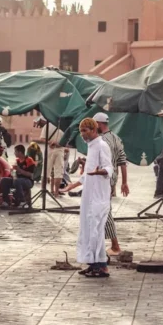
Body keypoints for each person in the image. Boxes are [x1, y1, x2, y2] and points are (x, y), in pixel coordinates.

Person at [61, 118, 113, 278]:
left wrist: (100, 172)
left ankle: (101, 267)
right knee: (88, 230)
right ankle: (93, 264)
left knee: (96, 231)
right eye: (81, 131)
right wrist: (71, 186)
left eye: (85, 131)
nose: (82, 134)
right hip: (88, 197)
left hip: (98, 197)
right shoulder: (91, 147)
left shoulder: (102, 146)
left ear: (93, 130)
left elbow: (109, 167)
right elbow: (86, 175)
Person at [93, 112, 129, 256]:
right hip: (112, 179)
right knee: (104, 210)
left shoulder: (101, 141)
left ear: (98, 124)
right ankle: (106, 244)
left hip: (102, 180)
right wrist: (124, 182)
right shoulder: (116, 138)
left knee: (104, 211)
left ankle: (115, 245)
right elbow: (122, 161)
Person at [34, 117, 65, 197]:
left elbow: (42, 139)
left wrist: (50, 142)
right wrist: (58, 144)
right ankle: (56, 192)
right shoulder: (64, 126)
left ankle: (43, 191)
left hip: (49, 150)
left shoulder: (48, 125)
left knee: (45, 171)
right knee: (58, 173)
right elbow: (67, 141)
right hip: (60, 150)